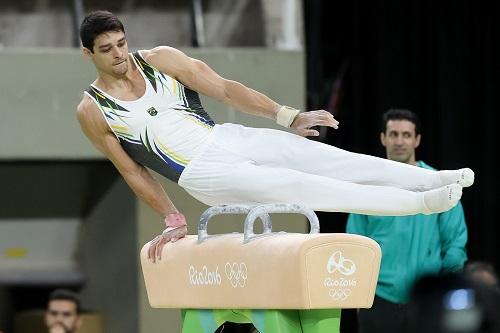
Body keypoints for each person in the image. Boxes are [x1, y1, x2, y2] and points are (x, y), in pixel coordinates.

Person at [76, 11, 474, 262]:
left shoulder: (160, 60)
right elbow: (133, 172)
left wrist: (288, 116)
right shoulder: (93, 110)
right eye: (107, 49)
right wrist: (173, 218)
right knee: (302, 186)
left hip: (224, 136)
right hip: (200, 173)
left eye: (122, 43)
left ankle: (430, 178)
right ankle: (421, 204)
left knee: (322, 157)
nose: (119, 54)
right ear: (88, 54)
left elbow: (228, 89)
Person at [346, 109, 468, 333]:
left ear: (417, 140)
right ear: (383, 138)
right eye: (393, 134)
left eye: (406, 135)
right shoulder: (368, 187)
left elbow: (454, 244)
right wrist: (357, 298)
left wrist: (447, 293)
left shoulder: (439, 186)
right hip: (377, 300)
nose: (399, 141)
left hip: (427, 300)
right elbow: (355, 246)